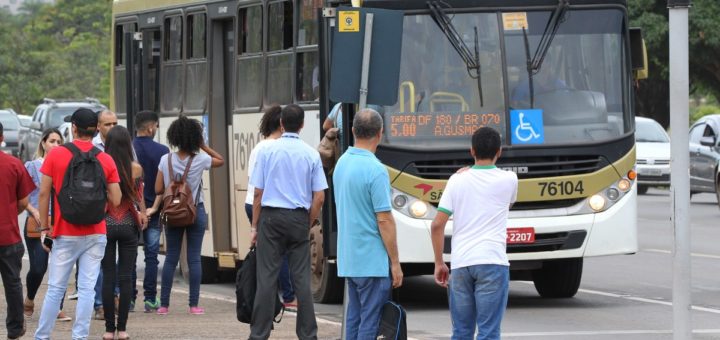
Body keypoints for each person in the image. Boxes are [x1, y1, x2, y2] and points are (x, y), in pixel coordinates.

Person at [34, 108, 122, 340]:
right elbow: (116, 199)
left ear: (73, 128)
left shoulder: (56, 155)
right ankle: (80, 337)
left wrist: (45, 228)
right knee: (86, 289)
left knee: (55, 288)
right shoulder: (105, 158)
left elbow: (43, 194)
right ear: (96, 129)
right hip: (96, 232)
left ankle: (42, 337)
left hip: (64, 232)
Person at [430, 127, 518, 340]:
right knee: (488, 333)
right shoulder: (510, 180)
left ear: (471, 151)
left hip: (461, 264)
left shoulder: (456, 180)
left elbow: (436, 225)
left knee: (461, 332)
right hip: (492, 261)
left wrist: (439, 262)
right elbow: (509, 203)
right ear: (499, 152)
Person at [249, 104, 327, 340]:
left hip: (271, 218)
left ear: (281, 124)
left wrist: (255, 226)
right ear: (302, 125)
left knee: (267, 279)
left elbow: (257, 194)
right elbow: (320, 197)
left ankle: (259, 334)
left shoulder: (266, 151)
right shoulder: (311, 154)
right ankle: (308, 335)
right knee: (302, 280)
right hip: (298, 218)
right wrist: (308, 220)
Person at [332, 108, 403, 339]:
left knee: (354, 319)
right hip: (371, 260)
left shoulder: (342, 163)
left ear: (352, 131)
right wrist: (395, 263)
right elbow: (384, 219)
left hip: (349, 258)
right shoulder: (376, 170)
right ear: (381, 133)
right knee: (370, 323)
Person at [149, 115, 224, 315]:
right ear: (195, 138)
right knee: (194, 258)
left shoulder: (166, 159)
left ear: (174, 137)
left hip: (172, 212)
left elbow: (157, 188)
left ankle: (164, 305)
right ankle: (193, 305)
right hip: (195, 211)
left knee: (171, 257)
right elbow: (221, 160)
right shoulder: (200, 159)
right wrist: (203, 146)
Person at [244, 105, 296, 309]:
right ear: (282, 125)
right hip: (264, 205)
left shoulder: (260, 147)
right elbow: (261, 188)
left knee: (269, 253)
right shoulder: (273, 148)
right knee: (279, 253)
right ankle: (289, 297)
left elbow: (252, 181)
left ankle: (268, 296)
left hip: (252, 203)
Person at [101, 126, 148, 340]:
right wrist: (144, 213)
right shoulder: (135, 168)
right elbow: (138, 197)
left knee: (108, 277)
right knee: (126, 277)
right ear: (128, 144)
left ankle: (109, 330)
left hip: (106, 224)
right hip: (129, 223)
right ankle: (123, 330)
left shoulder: (101, 165)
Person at [22, 128, 72, 322]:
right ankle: (30, 298)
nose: (56, 145)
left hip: (61, 222)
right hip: (38, 223)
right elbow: (23, 196)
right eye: (52, 141)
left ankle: (56, 308)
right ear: (43, 143)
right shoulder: (32, 166)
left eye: (59, 142)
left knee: (60, 268)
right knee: (38, 267)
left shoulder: (67, 166)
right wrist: (33, 211)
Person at [0, 121, 35, 340]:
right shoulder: (13, 164)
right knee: (12, 283)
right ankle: (14, 329)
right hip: (8, 234)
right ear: (2, 138)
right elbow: (23, 202)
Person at [132, 111, 169, 313]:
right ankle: (150, 299)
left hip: (132, 211)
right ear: (150, 128)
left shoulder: (128, 149)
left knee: (129, 255)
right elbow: (164, 184)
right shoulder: (162, 150)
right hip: (153, 211)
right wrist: (154, 207)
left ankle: (129, 299)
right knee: (151, 255)